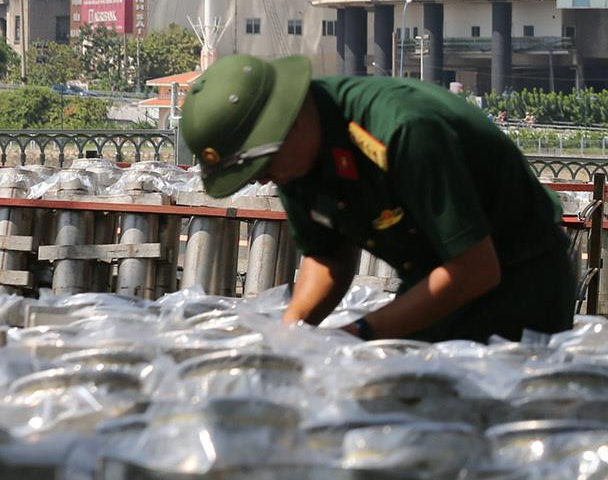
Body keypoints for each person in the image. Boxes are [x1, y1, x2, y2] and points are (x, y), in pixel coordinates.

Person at [179, 54, 576, 344]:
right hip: (430, 286)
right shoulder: (291, 159)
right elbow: (328, 257)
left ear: (292, 120)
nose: (265, 181)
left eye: (262, 166)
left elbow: (474, 269)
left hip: (518, 289)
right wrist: (291, 335)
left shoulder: (402, 131)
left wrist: (360, 333)